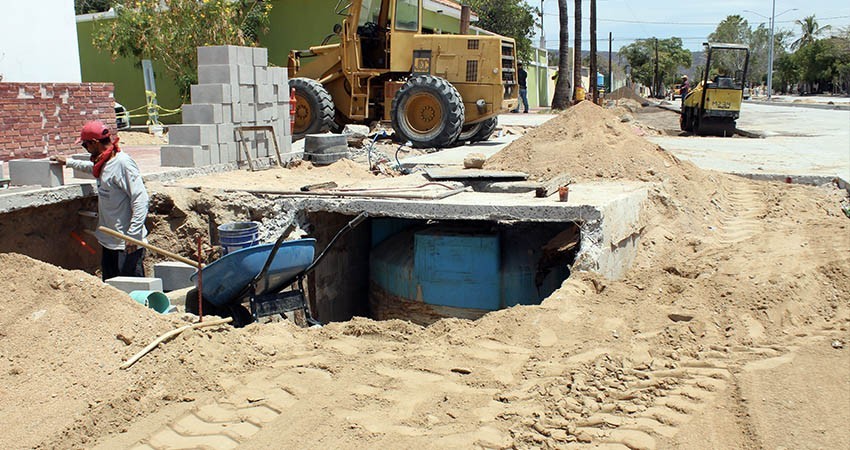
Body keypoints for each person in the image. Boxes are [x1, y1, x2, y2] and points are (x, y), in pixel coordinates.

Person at [51, 121, 150, 280]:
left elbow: (141, 199)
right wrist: (69, 162)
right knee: (111, 288)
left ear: (94, 142)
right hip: (109, 241)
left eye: (85, 145)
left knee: (131, 290)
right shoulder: (104, 162)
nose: (85, 148)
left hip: (127, 244)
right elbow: (94, 169)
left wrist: (133, 235)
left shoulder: (123, 163)